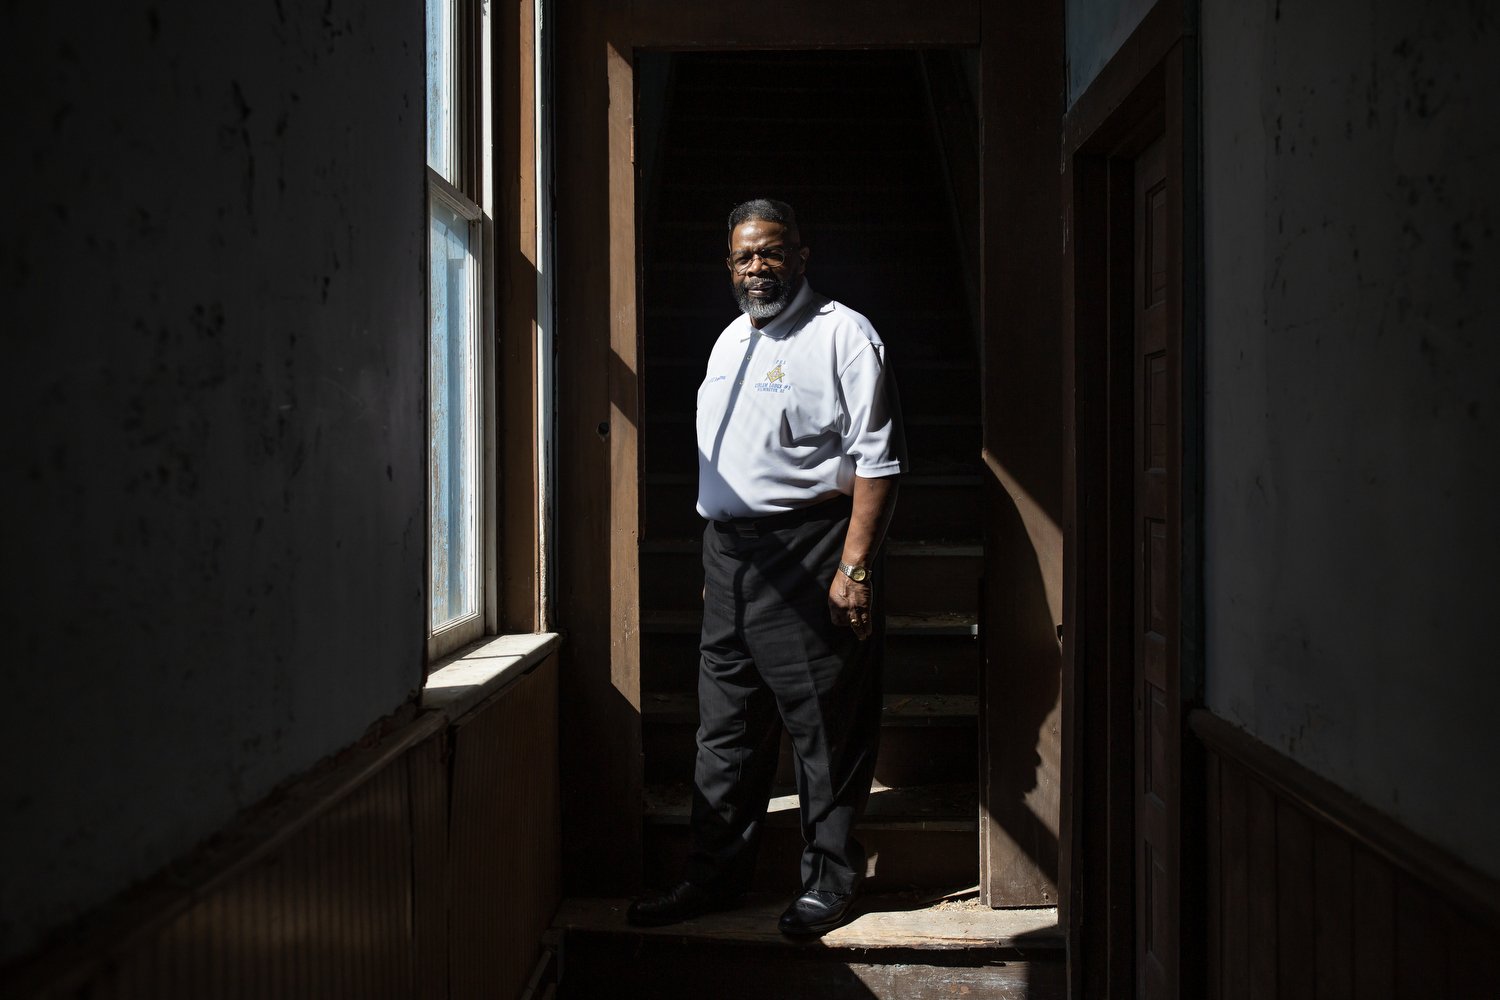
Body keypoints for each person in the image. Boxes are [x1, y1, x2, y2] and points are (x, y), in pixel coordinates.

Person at [627, 198, 906, 936]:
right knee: (725, 733)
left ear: (802, 254)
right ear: (729, 266)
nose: (758, 268)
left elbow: (879, 464)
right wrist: (718, 560)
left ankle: (830, 881)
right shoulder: (728, 343)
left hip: (813, 550)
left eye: (771, 252)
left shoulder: (843, 335)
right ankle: (714, 877)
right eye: (744, 257)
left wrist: (856, 569)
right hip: (731, 560)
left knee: (825, 730)